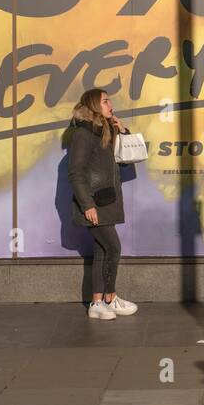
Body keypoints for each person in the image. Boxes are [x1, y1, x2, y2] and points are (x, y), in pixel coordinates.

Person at [63, 88, 138, 320]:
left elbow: (126, 159)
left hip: (106, 200)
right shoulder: (83, 135)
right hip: (94, 202)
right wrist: (87, 205)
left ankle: (98, 302)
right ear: (95, 105)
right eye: (105, 101)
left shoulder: (103, 131)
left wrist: (123, 131)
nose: (110, 105)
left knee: (101, 251)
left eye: (110, 101)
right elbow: (75, 173)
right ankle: (109, 298)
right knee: (113, 248)